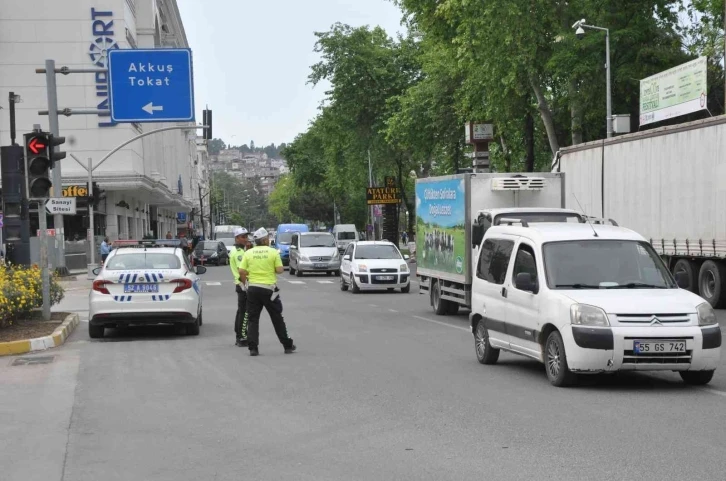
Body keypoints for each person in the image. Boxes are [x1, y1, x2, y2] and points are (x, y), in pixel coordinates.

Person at [239, 227, 295, 356]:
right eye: (268, 239)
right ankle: (287, 345)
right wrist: (271, 268)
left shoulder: (248, 253)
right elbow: (280, 270)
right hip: (269, 290)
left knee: (253, 319)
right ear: (264, 240)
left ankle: (253, 348)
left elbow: (241, 271)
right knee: (277, 318)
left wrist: (245, 284)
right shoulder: (273, 252)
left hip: (253, 289)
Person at [230, 227, 251, 346]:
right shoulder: (238, 252)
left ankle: (239, 333)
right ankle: (242, 337)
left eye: (246, 236)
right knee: (245, 312)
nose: (245, 239)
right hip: (243, 284)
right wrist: (246, 285)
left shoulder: (241, 250)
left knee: (241, 310)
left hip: (241, 283)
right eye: (243, 237)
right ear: (236, 238)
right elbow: (241, 271)